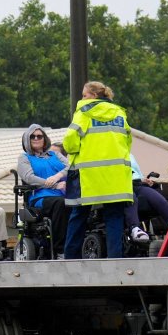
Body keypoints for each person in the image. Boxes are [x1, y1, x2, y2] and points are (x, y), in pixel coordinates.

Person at [62, 81, 134, 259]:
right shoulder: (119, 113)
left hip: (89, 177)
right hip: (116, 176)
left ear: (94, 96)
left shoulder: (83, 113)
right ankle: (115, 258)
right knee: (114, 217)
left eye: (84, 95)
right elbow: (127, 142)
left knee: (78, 215)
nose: (82, 98)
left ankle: (70, 257)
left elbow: (70, 143)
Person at [17, 124, 69, 258]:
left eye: (39, 136)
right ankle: (60, 250)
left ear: (44, 139)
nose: (36, 138)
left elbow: (72, 166)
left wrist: (58, 176)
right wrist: (53, 185)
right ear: (27, 140)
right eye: (32, 136)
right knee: (61, 203)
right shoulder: (25, 158)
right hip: (40, 197)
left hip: (64, 193)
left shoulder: (55, 154)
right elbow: (29, 177)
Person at [125, 153, 168, 243]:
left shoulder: (130, 154)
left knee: (158, 199)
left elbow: (136, 174)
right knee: (131, 199)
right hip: (121, 185)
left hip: (137, 184)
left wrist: (144, 180)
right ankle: (135, 228)